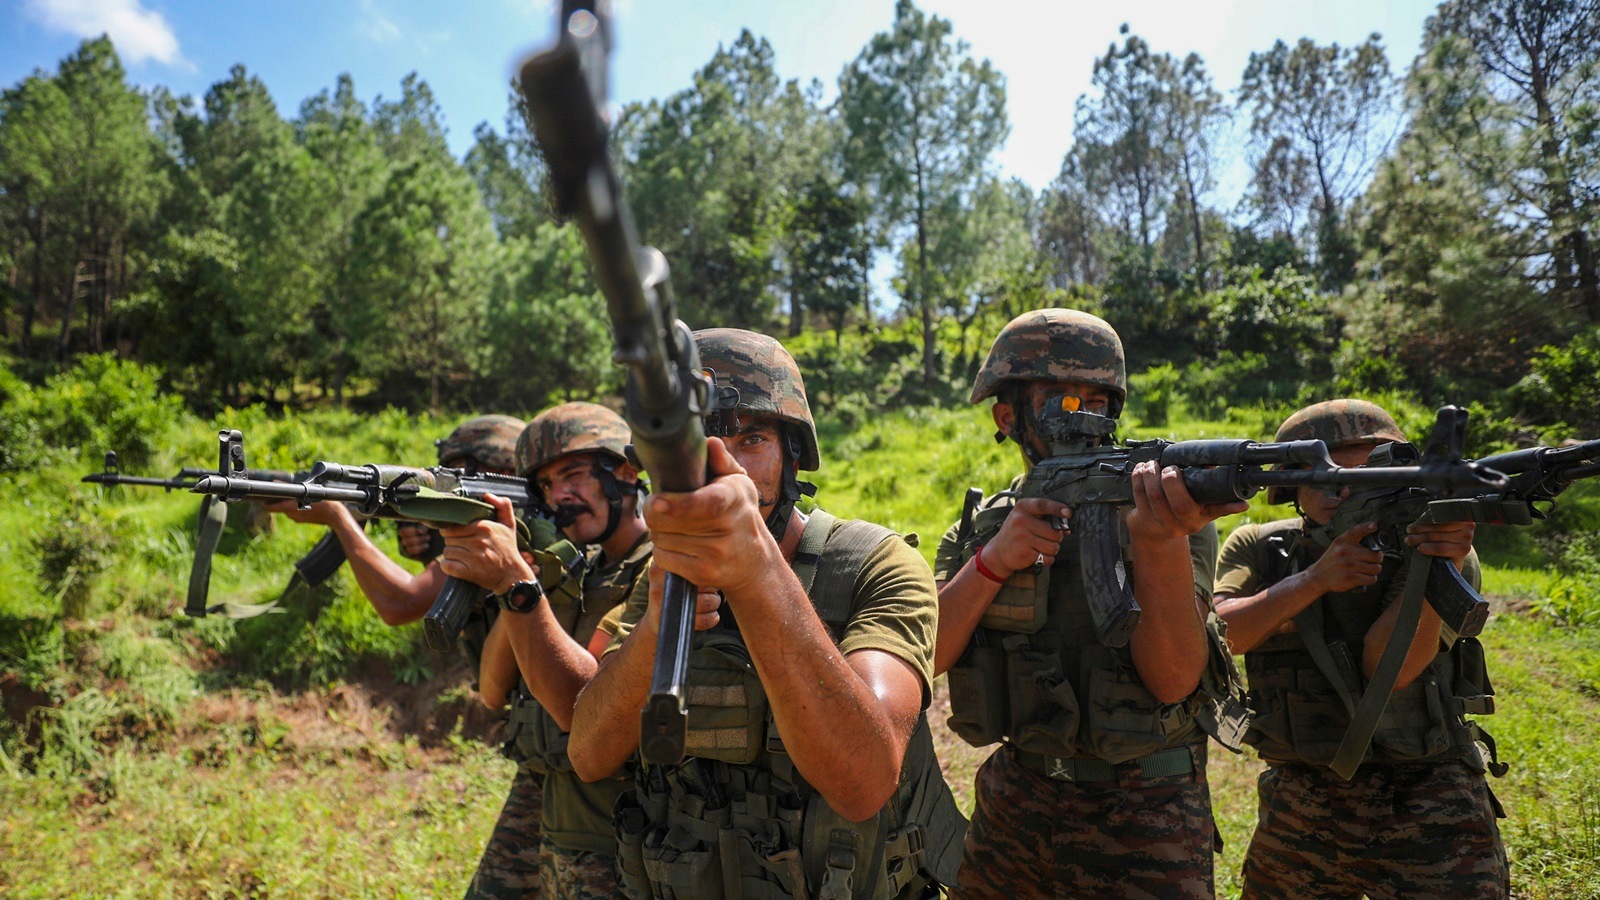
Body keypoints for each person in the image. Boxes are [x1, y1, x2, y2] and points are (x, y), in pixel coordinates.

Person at [567, 328, 966, 899]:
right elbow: (588, 754)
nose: (722, 464)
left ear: (793, 454)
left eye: (750, 438)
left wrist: (755, 573)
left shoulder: (875, 564)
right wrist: (657, 624)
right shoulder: (661, 577)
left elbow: (864, 782)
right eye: (696, 444)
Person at [933, 308, 1249, 898]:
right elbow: (925, 656)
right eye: (1058, 397)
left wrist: (1158, 543)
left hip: (1148, 812)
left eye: (1096, 399)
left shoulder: (1165, 512)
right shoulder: (983, 527)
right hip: (1017, 803)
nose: (1080, 414)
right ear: (1009, 415)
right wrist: (993, 561)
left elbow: (1177, 679)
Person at [1212, 399, 1509, 898]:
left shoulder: (1439, 545)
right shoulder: (1261, 548)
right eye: (1325, 478)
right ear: (1292, 487)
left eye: (1367, 477)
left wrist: (1438, 564)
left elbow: (1386, 668)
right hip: (1303, 793)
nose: (1344, 491)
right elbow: (1227, 636)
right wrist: (1313, 580)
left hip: (1428, 793)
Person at [439, 402, 653, 899]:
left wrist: (516, 583)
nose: (561, 497)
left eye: (574, 476)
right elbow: (492, 692)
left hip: (617, 826)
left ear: (625, 472)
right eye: (548, 486)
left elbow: (586, 707)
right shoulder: (569, 569)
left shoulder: (660, 572)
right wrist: (518, 584)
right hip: (547, 801)